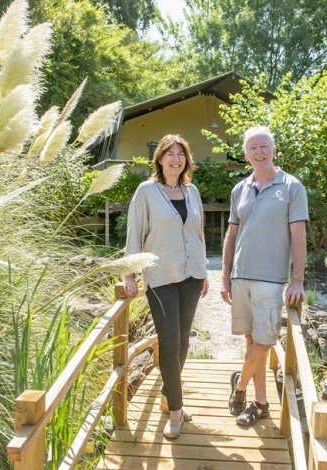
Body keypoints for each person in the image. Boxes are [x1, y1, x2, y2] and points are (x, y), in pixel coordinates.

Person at [221, 125, 308, 426]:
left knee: (263, 343)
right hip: (240, 277)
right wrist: (224, 277)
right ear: (246, 153)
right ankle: (260, 404)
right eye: (252, 147)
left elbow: (298, 236)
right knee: (251, 344)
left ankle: (239, 386)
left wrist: (297, 280)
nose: (258, 152)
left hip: (271, 281)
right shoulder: (239, 190)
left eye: (263, 146)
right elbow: (230, 237)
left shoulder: (291, 187)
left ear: (273, 150)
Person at [123, 134, 209, 439]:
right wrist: (129, 274)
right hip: (160, 278)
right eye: (169, 154)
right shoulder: (146, 192)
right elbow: (135, 233)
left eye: (181, 154)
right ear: (159, 158)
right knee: (169, 343)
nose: (176, 159)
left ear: (186, 160)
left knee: (183, 342)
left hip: (192, 275)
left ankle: (168, 397)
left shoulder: (192, 191)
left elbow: (198, 233)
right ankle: (176, 411)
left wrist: (205, 271)